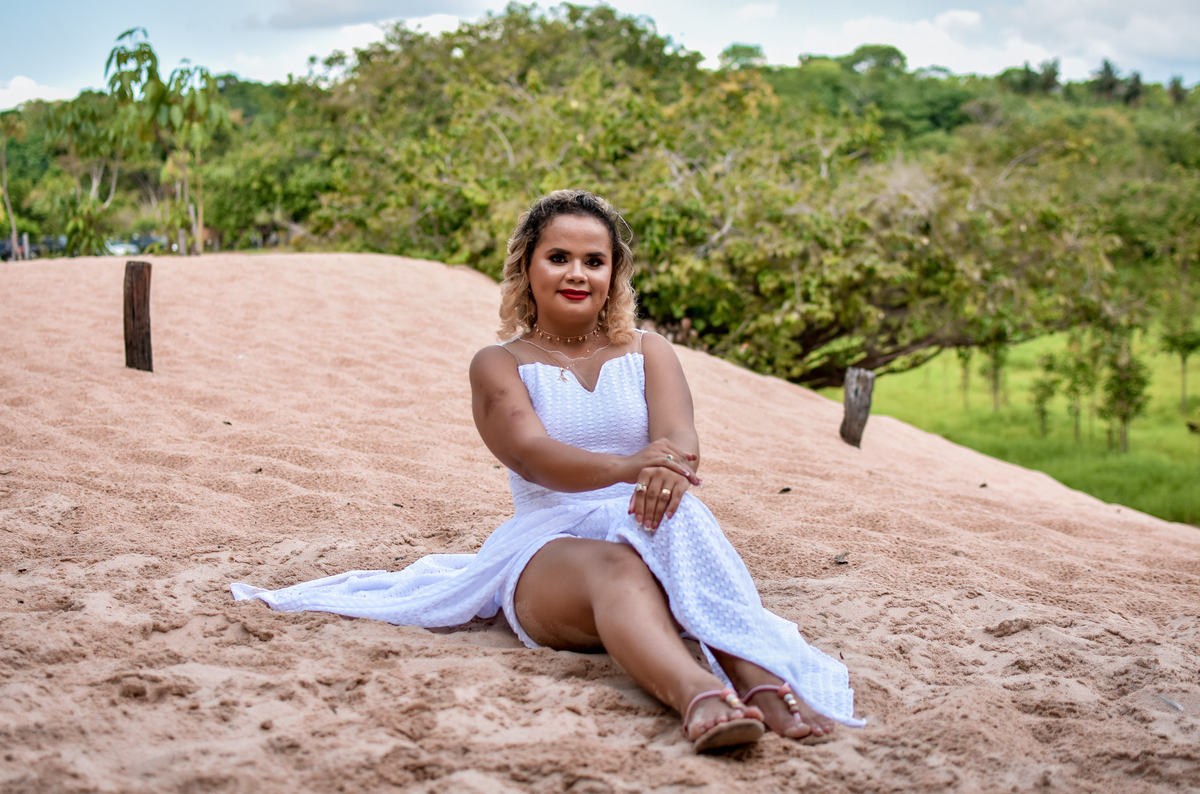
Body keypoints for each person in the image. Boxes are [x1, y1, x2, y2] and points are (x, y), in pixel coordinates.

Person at [232, 190, 863, 752]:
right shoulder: (499, 363)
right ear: (526, 268)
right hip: (550, 550)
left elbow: (679, 437)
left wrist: (669, 467)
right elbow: (530, 454)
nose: (577, 274)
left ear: (614, 274)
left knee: (677, 514)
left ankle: (756, 679)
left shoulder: (650, 351)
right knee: (618, 565)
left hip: (651, 524)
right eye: (558, 257)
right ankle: (699, 695)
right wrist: (630, 465)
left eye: (595, 261)